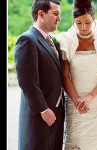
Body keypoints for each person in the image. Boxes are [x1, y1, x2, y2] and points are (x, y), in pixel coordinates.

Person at [57, 0, 97, 149]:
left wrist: (90, 96)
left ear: (93, 19)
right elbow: (65, 75)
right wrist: (77, 101)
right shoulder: (66, 40)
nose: (83, 27)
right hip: (75, 102)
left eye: (87, 22)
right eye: (78, 23)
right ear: (73, 20)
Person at [14, 0, 65, 150]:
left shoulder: (52, 42)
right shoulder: (27, 39)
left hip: (56, 115)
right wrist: (43, 109)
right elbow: (27, 81)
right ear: (41, 14)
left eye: (59, 14)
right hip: (39, 117)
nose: (59, 18)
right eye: (55, 14)